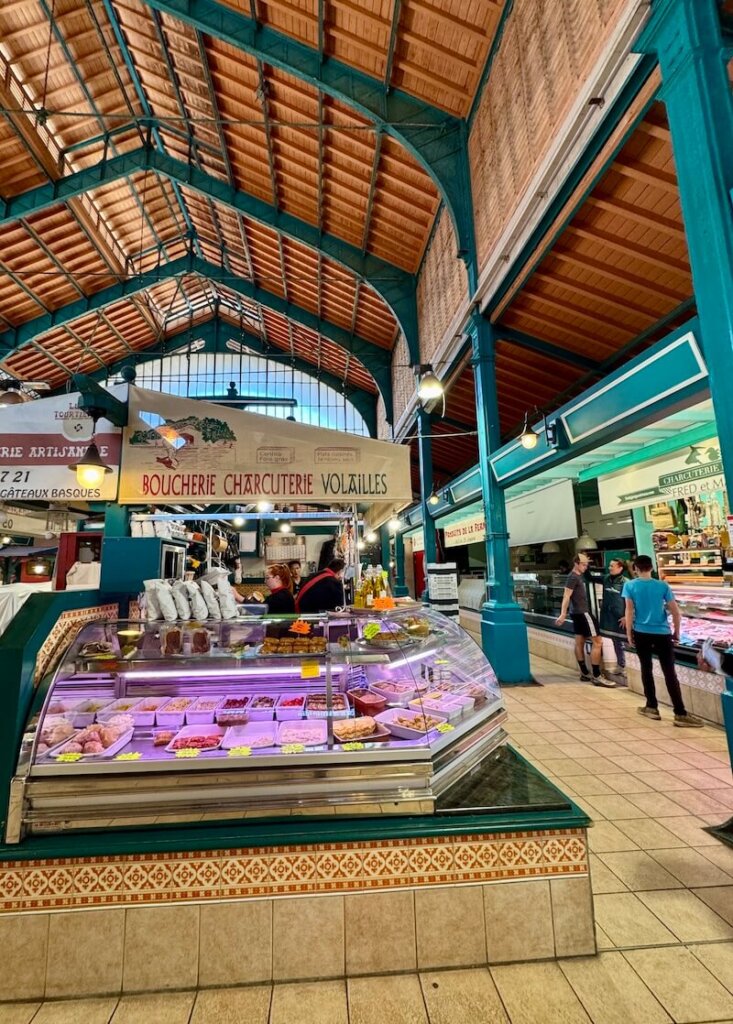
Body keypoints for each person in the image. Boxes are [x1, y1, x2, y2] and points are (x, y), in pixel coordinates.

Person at [623, 554, 703, 727]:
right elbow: (675, 612)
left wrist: (629, 633)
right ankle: (680, 713)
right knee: (669, 672)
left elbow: (629, 611)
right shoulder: (662, 585)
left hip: (641, 632)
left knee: (646, 669)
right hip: (662, 633)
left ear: (636, 569)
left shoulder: (629, 585)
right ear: (651, 568)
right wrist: (676, 632)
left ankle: (651, 707)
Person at [555, 553, 613, 687]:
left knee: (579, 641)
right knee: (597, 642)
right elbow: (566, 596)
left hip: (576, 613)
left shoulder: (576, 576)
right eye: (583, 564)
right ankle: (597, 675)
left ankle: (584, 672)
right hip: (582, 613)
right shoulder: (573, 577)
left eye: (587, 564)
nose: (586, 567)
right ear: (576, 563)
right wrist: (563, 614)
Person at [600, 558, 630, 683]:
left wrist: (627, 616)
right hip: (611, 618)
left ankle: (630, 667)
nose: (610, 568)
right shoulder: (606, 579)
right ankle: (621, 666)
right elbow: (589, 578)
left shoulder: (626, 583)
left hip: (623, 618)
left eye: (612, 566)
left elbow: (631, 601)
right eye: (610, 565)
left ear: (620, 568)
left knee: (627, 642)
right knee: (616, 642)